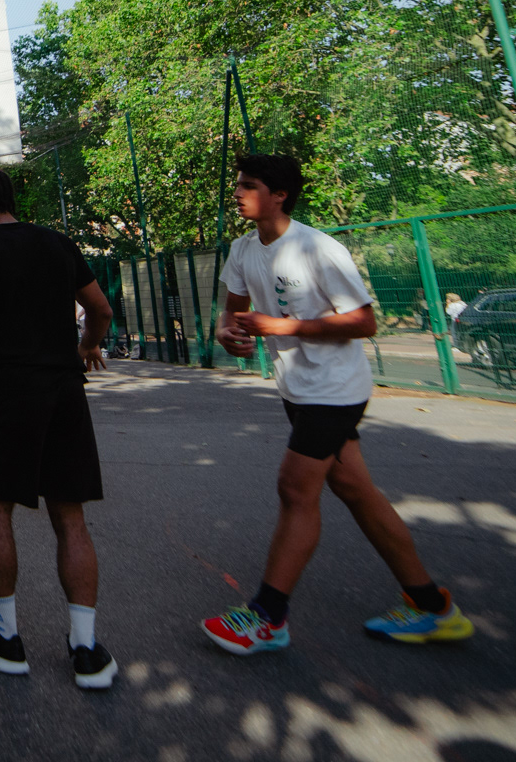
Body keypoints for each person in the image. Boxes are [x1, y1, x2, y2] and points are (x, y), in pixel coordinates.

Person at [202, 153, 472, 654]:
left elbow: (364, 322)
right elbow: (232, 310)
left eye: (249, 185)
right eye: (238, 184)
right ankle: (432, 607)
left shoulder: (318, 248)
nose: (237, 193)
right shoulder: (242, 249)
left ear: (279, 195)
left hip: (335, 389)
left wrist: (283, 326)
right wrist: (225, 332)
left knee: (295, 489)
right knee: (355, 489)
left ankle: (268, 617)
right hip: (297, 389)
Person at [0, 163, 119, 690]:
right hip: (65, 392)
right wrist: (87, 346)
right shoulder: (58, 244)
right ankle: (86, 650)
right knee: (70, 517)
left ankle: (6, 640)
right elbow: (101, 310)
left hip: (10, 391)